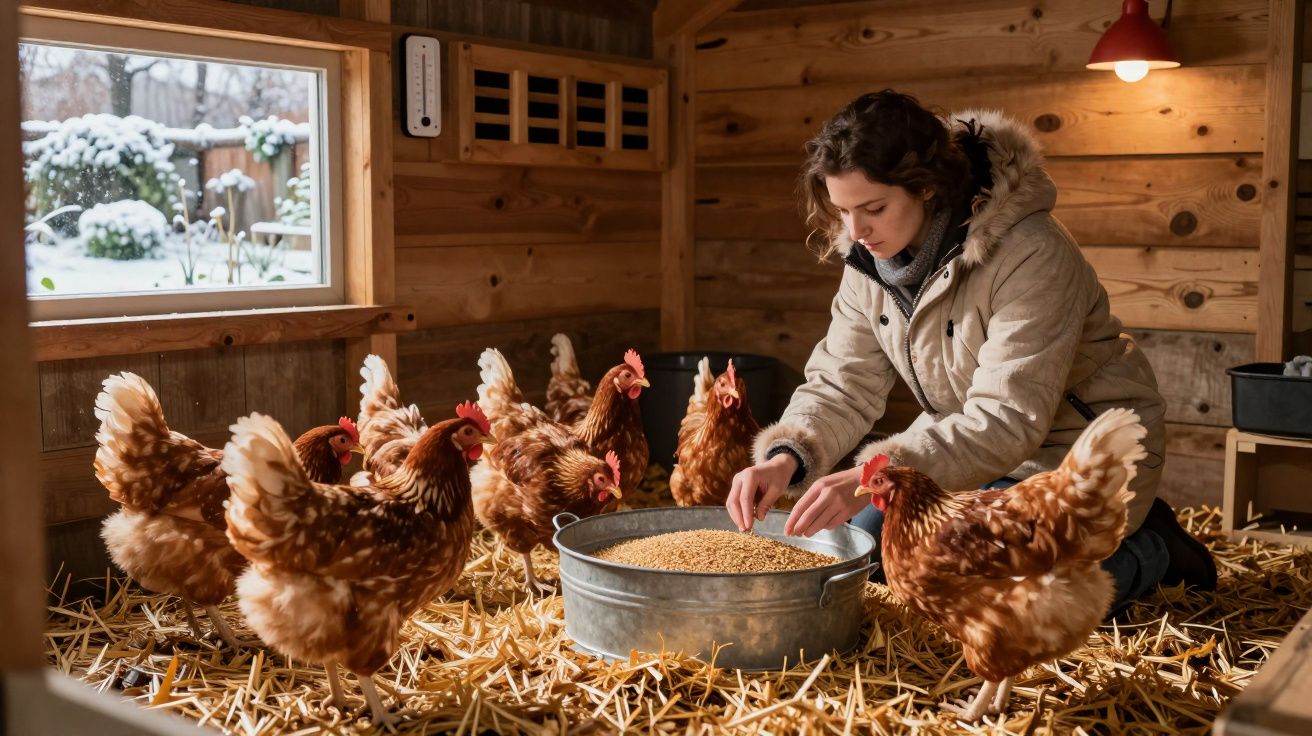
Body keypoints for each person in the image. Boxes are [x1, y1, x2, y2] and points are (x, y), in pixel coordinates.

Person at [725, 90, 1215, 615]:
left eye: (873, 209)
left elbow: (1009, 417)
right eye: (842, 210)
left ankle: (1154, 548)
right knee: (872, 560)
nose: (855, 232)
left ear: (928, 188)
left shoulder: (1032, 253)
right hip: (961, 447)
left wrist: (871, 477)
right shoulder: (867, 261)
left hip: (1074, 457)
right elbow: (843, 382)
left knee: (1010, 603)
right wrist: (784, 458)